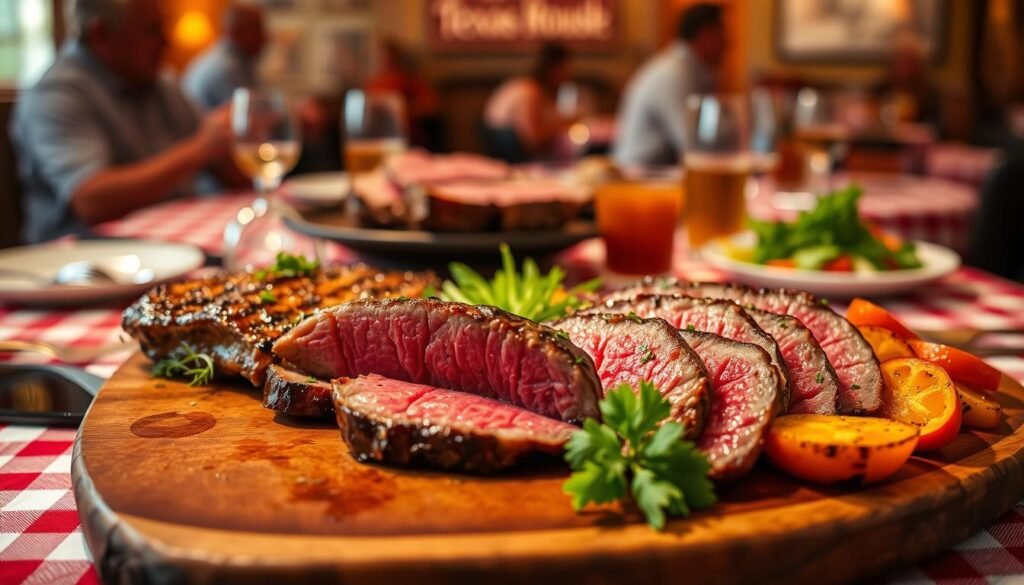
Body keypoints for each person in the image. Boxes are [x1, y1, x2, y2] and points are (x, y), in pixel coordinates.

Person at [10, 0, 243, 243]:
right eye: (152, 30)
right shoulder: (57, 94)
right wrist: (198, 150)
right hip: (85, 261)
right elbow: (91, 201)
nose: (167, 41)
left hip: (171, 243)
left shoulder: (161, 84)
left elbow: (223, 165)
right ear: (101, 34)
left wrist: (237, 139)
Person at [613, 4, 726, 167]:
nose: (727, 42)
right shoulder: (675, 74)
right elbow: (692, 144)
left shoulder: (684, 69)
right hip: (640, 179)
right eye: (722, 33)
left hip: (656, 174)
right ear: (705, 34)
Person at [483, 42, 570, 162]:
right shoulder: (530, 91)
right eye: (565, 68)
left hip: (506, 147)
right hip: (509, 154)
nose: (568, 74)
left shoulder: (526, 85)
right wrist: (560, 125)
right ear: (553, 69)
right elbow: (531, 138)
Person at [183, 3, 266, 111]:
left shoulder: (233, 60)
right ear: (236, 31)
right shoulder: (226, 68)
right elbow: (253, 115)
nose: (264, 37)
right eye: (257, 29)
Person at [366, 39, 443, 151]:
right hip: (375, 140)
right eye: (379, 56)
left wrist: (401, 109)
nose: (382, 59)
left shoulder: (407, 79)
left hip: (406, 139)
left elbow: (432, 105)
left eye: (385, 55)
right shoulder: (372, 83)